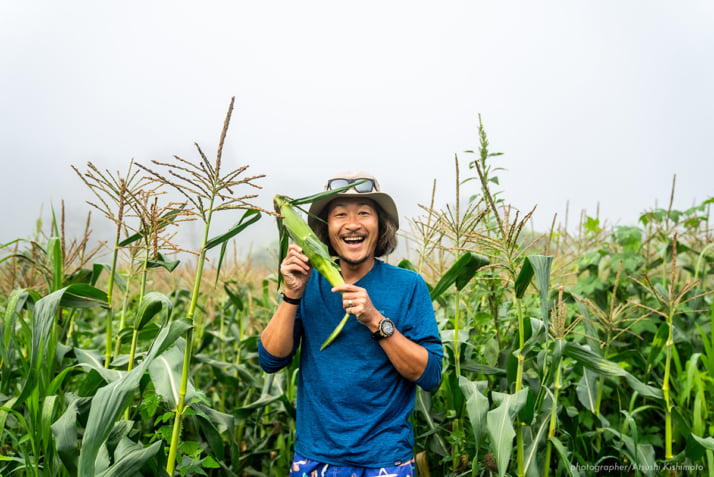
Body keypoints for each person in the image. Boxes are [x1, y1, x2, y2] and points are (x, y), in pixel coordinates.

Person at [259, 172, 443, 476]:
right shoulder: (308, 284)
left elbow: (431, 375)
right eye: (340, 214)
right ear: (326, 229)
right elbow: (270, 360)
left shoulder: (408, 285)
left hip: (386, 460)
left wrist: (376, 321)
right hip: (315, 458)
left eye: (364, 213)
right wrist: (292, 294)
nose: (353, 224)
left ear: (381, 225)